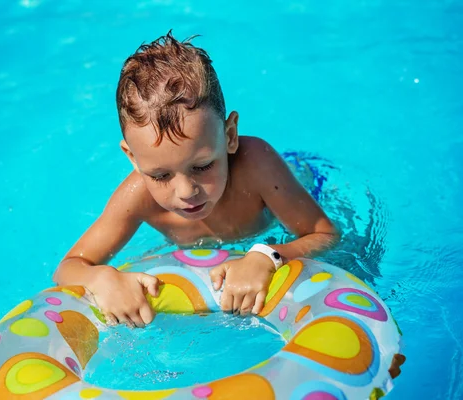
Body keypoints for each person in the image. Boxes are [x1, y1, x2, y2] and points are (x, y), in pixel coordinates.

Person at [52, 31, 338, 327]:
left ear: (229, 136)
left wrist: (269, 255)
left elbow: (325, 235)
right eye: (160, 175)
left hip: (304, 184)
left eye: (202, 167)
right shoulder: (137, 197)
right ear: (133, 158)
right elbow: (69, 268)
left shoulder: (256, 165)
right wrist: (102, 278)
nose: (186, 191)